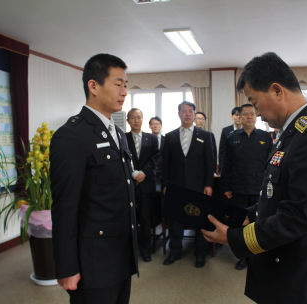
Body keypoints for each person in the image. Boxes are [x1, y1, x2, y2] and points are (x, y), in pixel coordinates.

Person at [202, 52, 307, 304]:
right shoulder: (291, 132)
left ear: (278, 91)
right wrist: (251, 213)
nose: (255, 113)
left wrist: (235, 238)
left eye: (255, 102)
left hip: (300, 277)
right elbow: (278, 192)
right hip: (284, 264)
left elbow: (298, 217)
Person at [50, 53, 138, 304]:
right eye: (118, 84)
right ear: (93, 86)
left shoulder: (119, 134)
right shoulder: (72, 136)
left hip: (121, 255)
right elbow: (64, 207)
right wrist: (67, 267)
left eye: (126, 85)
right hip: (93, 262)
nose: (124, 92)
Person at [162, 101, 214, 268]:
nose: (187, 114)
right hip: (176, 185)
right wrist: (165, 184)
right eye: (184, 111)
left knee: (200, 219)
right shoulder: (169, 136)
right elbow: (165, 163)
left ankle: (200, 253)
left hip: (198, 184)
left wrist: (208, 184)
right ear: (179, 114)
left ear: (194, 114)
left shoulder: (205, 135)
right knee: (177, 220)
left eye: (190, 111)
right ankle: (175, 251)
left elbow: (210, 162)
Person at [221, 103, 272, 270]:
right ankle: (243, 256)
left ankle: (258, 255)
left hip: (259, 187)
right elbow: (226, 164)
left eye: (252, 114)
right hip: (238, 187)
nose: (249, 117)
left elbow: (271, 165)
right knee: (241, 223)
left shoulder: (265, 137)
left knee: (259, 222)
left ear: (256, 116)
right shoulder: (231, 137)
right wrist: (227, 186)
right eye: (245, 114)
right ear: (239, 117)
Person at [126, 109, 159, 263]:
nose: (136, 120)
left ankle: (146, 249)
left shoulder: (152, 138)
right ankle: (129, 249)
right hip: (129, 184)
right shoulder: (123, 138)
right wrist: (133, 173)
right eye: (133, 118)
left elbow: (155, 158)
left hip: (146, 184)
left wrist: (143, 173)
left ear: (143, 119)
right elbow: (122, 159)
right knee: (129, 218)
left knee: (145, 218)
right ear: (128, 121)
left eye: (139, 117)